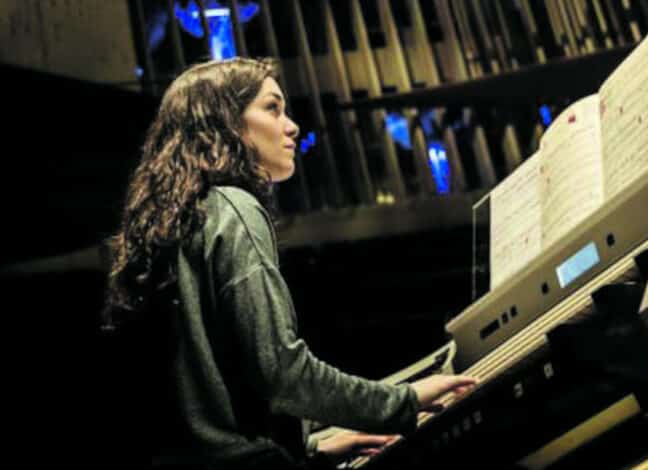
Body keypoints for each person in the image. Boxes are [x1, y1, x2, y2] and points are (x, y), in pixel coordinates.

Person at [103, 57, 476, 469]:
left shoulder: (180, 219)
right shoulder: (234, 208)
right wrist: (400, 403)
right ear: (226, 123)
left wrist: (308, 450)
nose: (292, 125)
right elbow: (280, 371)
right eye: (272, 108)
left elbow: (207, 396)